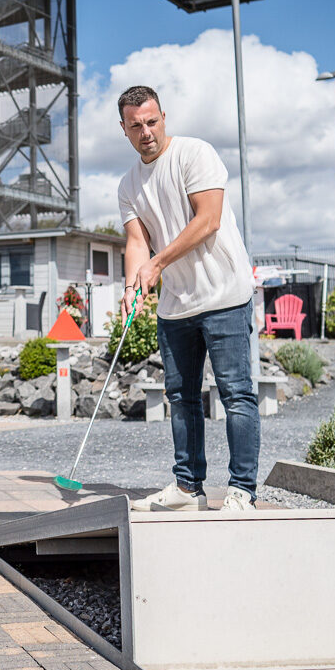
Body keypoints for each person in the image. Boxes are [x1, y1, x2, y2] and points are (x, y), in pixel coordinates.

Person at [116, 85, 260, 513]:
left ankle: (242, 492)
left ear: (164, 118)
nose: (146, 132)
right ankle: (187, 488)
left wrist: (157, 264)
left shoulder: (195, 154)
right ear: (124, 129)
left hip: (225, 295)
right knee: (181, 398)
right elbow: (136, 242)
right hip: (176, 306)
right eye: (136, 126)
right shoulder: (128, 184)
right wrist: (131, 287)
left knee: (236, 395)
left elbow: (208, 220)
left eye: (152, 121)